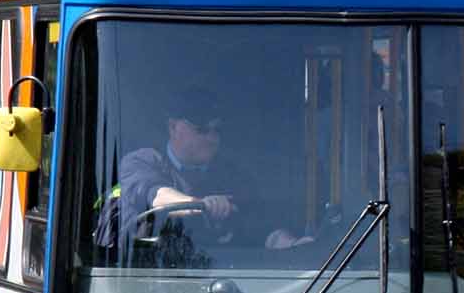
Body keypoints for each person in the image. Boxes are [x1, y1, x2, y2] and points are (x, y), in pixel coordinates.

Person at [96, 88, 311, 258]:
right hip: (141, 277)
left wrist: (294, 246)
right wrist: (202, 205)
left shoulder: (234, 176)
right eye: (202, 130)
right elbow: (157, 196)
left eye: (217, 130)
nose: (212, 138)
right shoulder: (142, 162)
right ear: (173, 127)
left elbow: (264, 230)